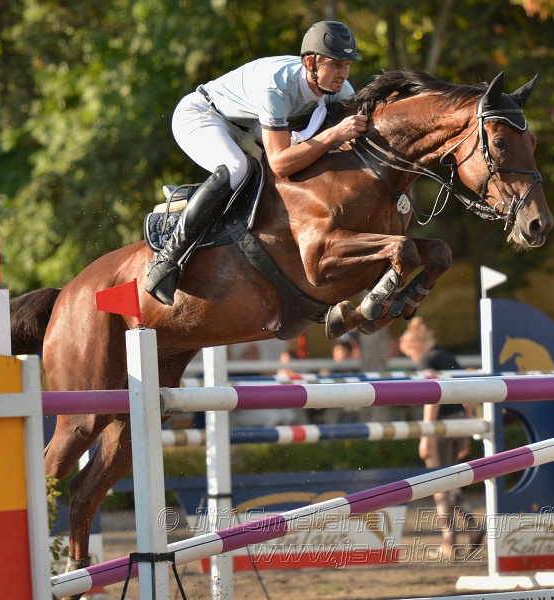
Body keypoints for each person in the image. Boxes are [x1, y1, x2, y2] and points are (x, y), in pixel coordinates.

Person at [147, 21, 369, 305]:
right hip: (202, 114)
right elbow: (281, 163)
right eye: (336, 65)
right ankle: (167, 261)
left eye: (347, 65)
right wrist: (333, 134)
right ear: (310, 63)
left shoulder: (339, 88)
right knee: (237, 168)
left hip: (248, 127)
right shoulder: (277, 85)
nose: (344, 74)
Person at [399, 317, 483, 559]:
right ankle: (470, 527)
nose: (413, 360)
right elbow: (467, 396)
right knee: (450, 480)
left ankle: (451, 540)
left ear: (415, 346)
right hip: (459, 420)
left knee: (439, 484)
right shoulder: (447, 356)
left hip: (441, 424)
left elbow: (431, 398)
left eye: (410, 355)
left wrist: (425, 435)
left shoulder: (427, 361)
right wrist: (466, 430)